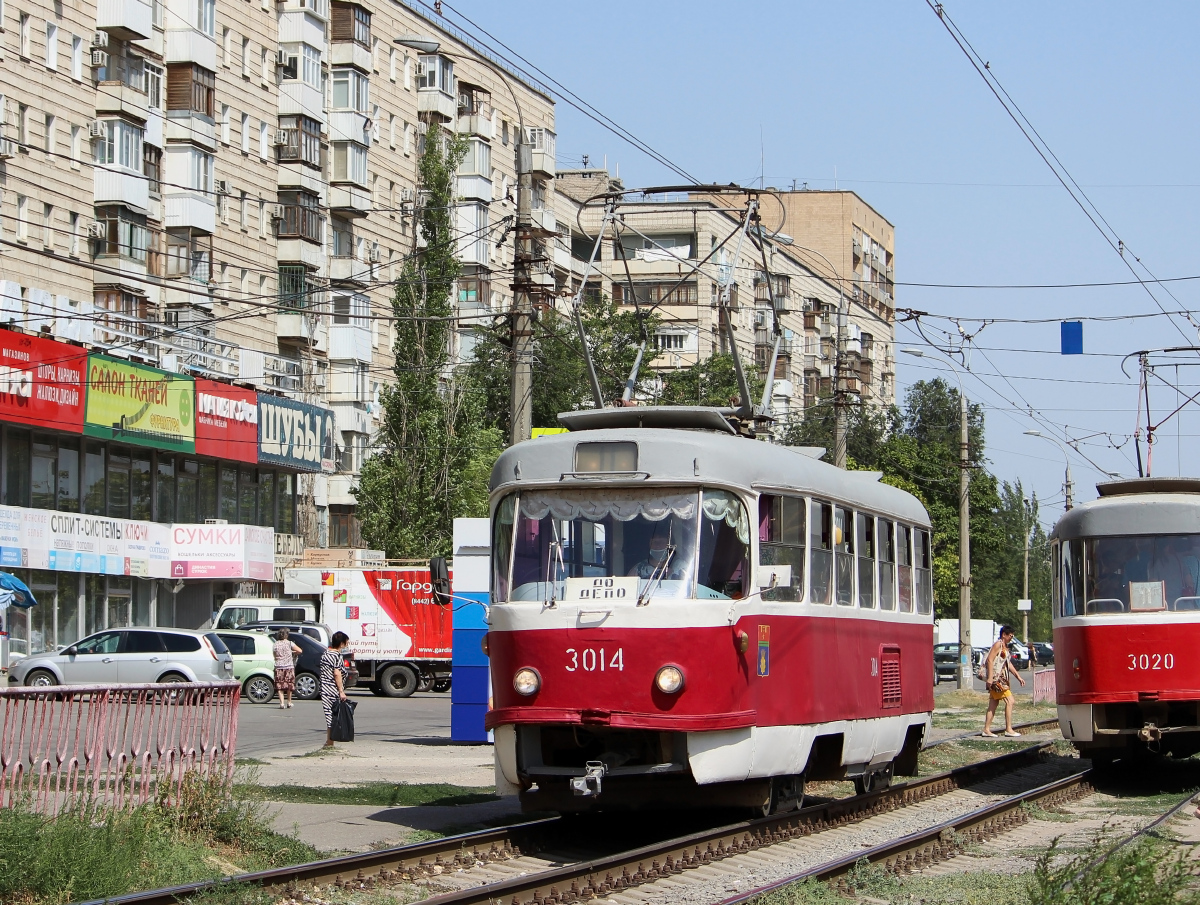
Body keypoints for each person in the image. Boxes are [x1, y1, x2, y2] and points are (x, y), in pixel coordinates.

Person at [982, 625, 1026, 738]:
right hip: (997, 680)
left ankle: (986, 729)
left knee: (993, 704)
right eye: (1010, 635)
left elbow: (1008, 664)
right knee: (1010, 701)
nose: (1012, 637)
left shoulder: (1005, 647)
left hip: (1002, 679)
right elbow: (990, 660)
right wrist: (990, 678)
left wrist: (1018, 677)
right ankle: (1008, 729)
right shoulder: (998, 644)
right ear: (1004, 635)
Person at [320, 631, 350, 748]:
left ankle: (329, 741)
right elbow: (337, 673)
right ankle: (330, 742)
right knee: (333, 716)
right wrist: (341, 691)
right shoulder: (336, 656)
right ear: (341, 644)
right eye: (346, 643)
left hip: (325, 688)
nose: (346, 646)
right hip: (332, 689)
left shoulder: (326, 653)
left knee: (330, 715)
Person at [272, 628, 303, 710]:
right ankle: (289, 702)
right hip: (289, 666)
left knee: (279, 685)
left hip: (279, 666)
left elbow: (274, 655)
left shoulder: (275, 644)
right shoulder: (290, 643)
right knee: (289, 684)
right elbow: (300, 650)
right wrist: (292, 653)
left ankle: (282, 703)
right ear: (286, 635)